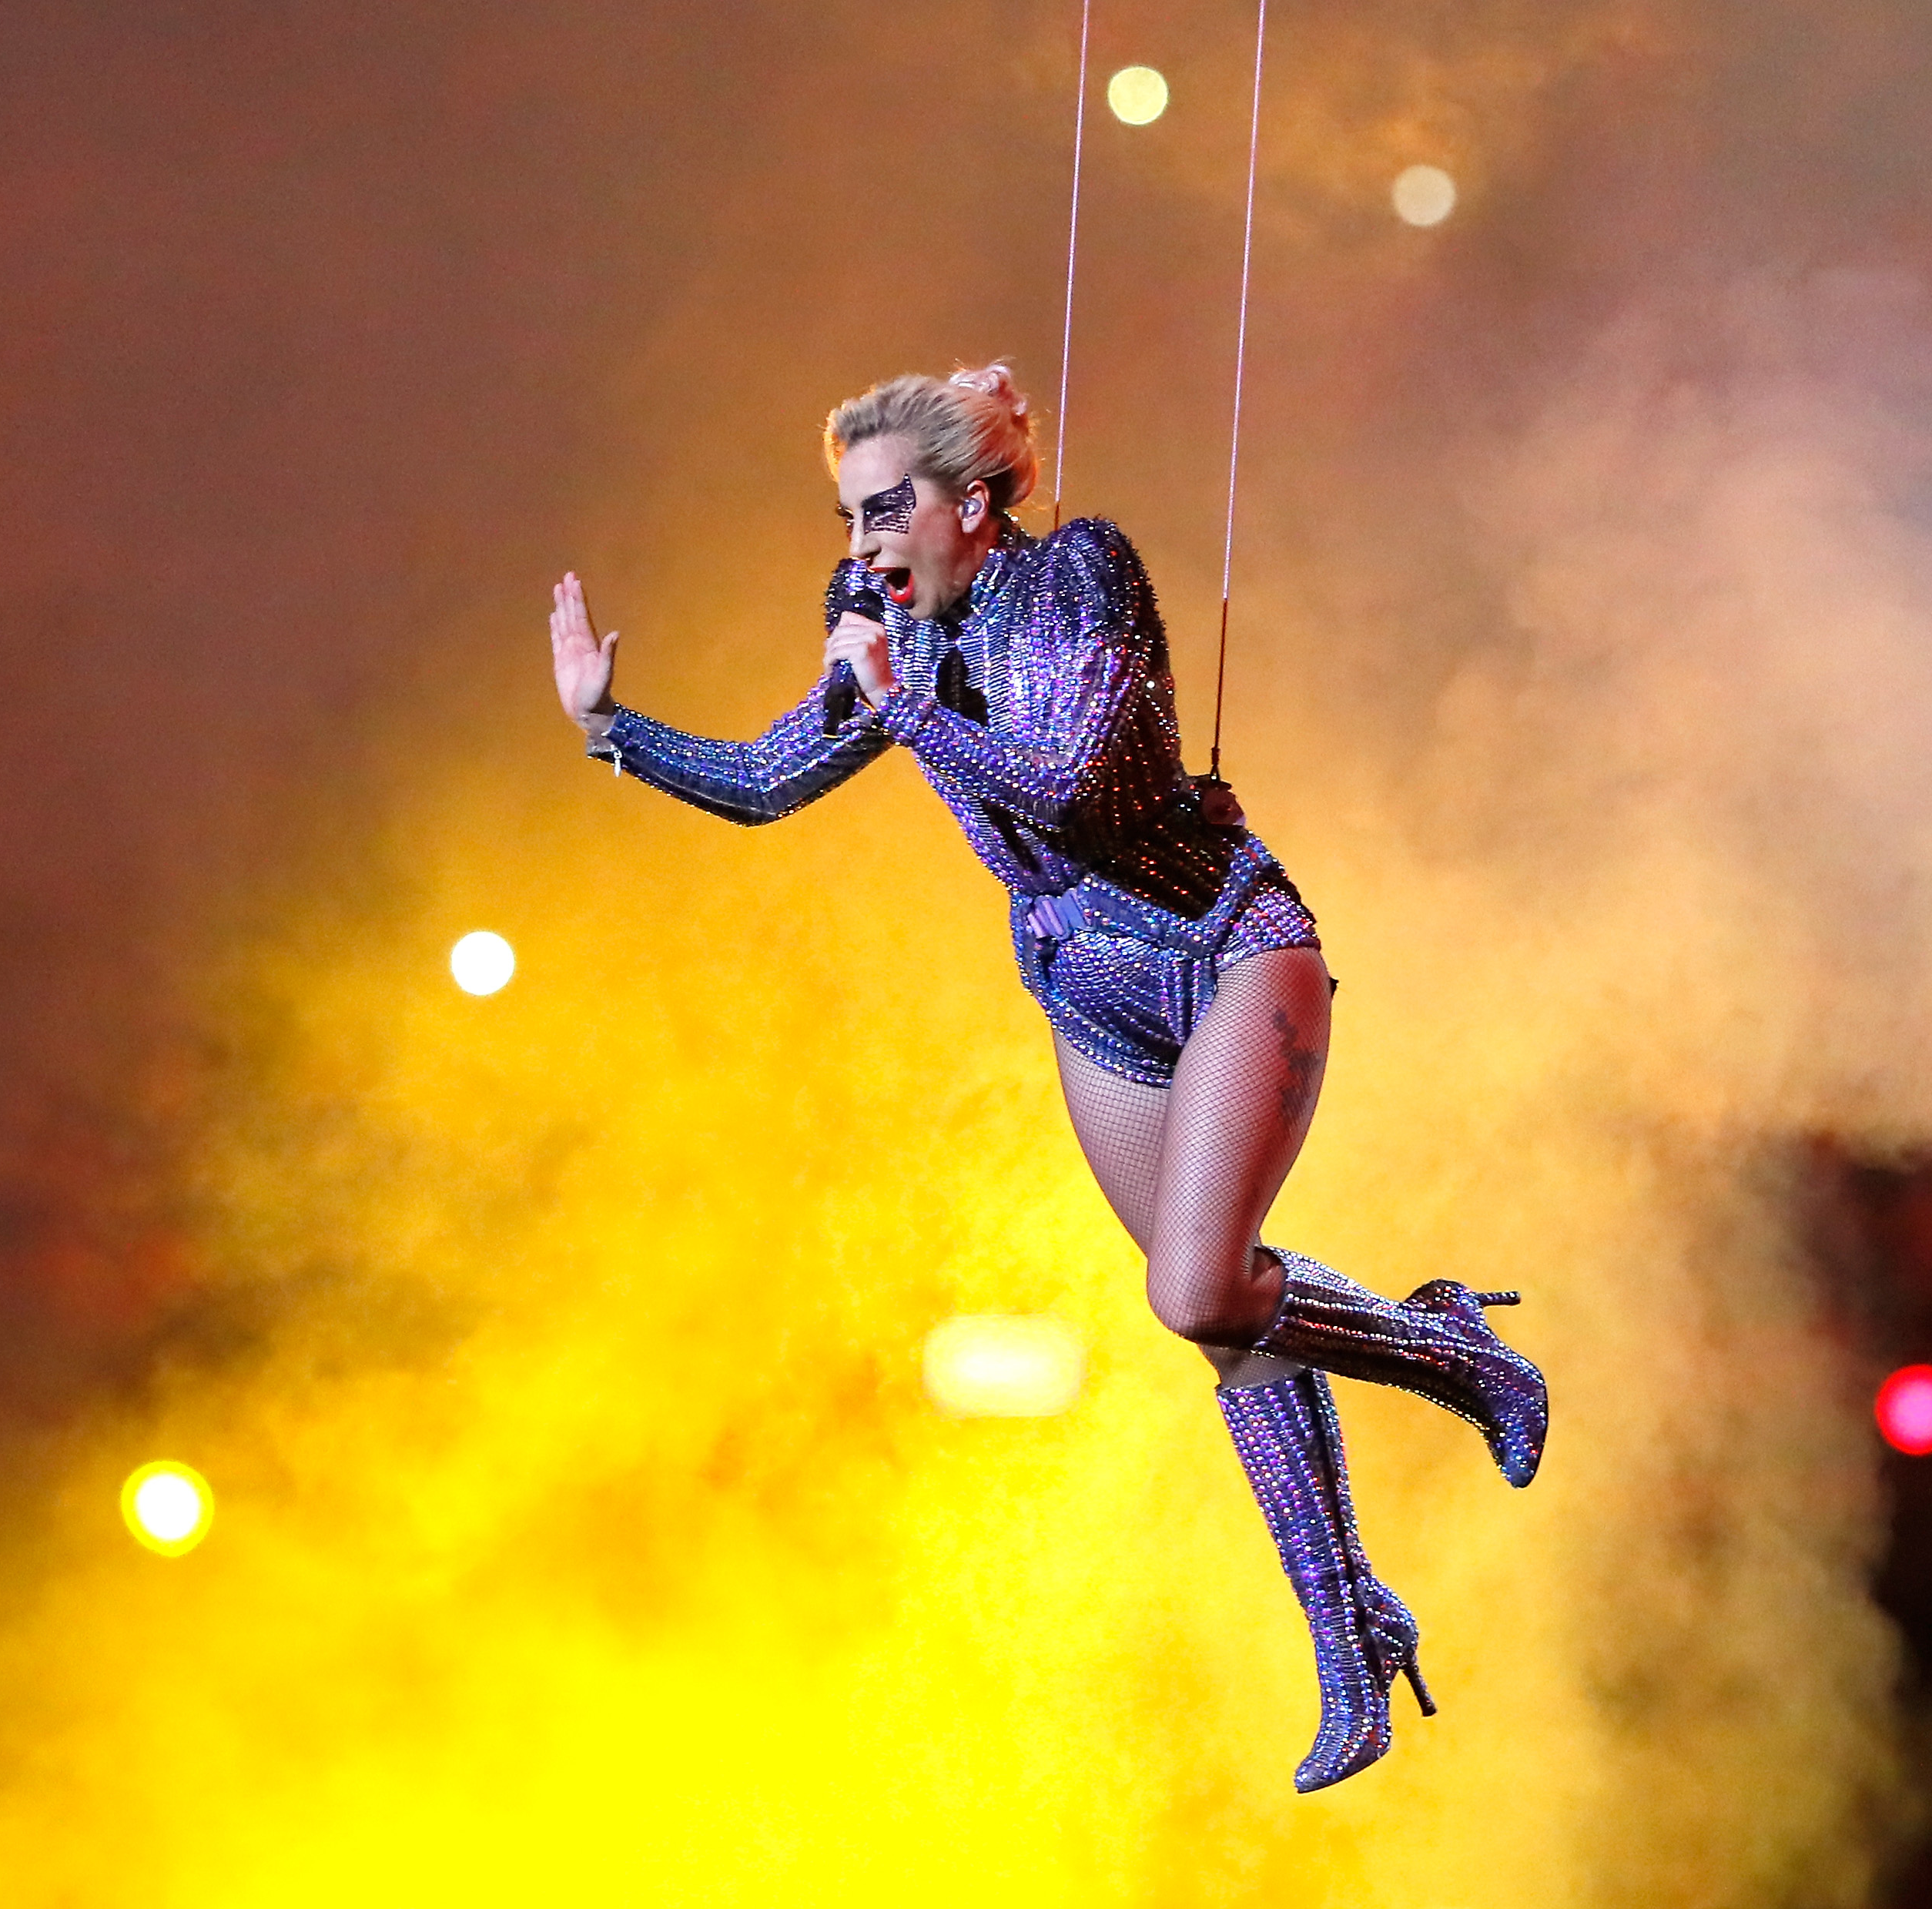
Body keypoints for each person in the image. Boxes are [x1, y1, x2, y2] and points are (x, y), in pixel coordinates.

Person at [546, 363, 1545, 1790]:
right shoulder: (895, 641)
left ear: (968, 501)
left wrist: (909, 711)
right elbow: (771, 781)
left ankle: (1457, 1353)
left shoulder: (1080, 573)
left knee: (1196, 1284)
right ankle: (1349, 1636)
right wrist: (608, 725)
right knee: (1225, 1325)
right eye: (844, 518)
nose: (860, 544)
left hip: (1221, 948)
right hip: (1088, 996)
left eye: (883, 509)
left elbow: (1087, 786)